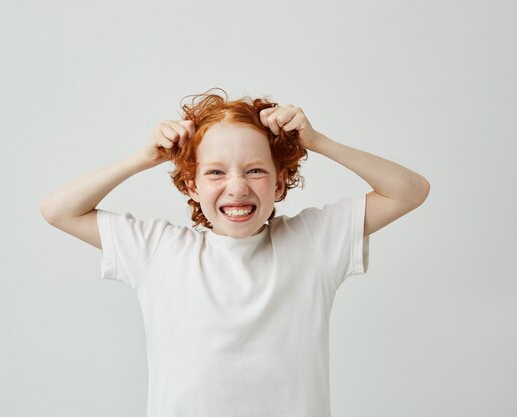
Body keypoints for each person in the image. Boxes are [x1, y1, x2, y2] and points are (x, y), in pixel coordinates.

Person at [40, 89, 430, 417]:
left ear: (280, 183)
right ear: (191, 185)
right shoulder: (158, 251)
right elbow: (57, 210)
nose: (237, 187)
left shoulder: (313, 242)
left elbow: (409, 190)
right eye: (216, 172)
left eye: (256, 171)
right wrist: (142, 159)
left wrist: (318, 142)